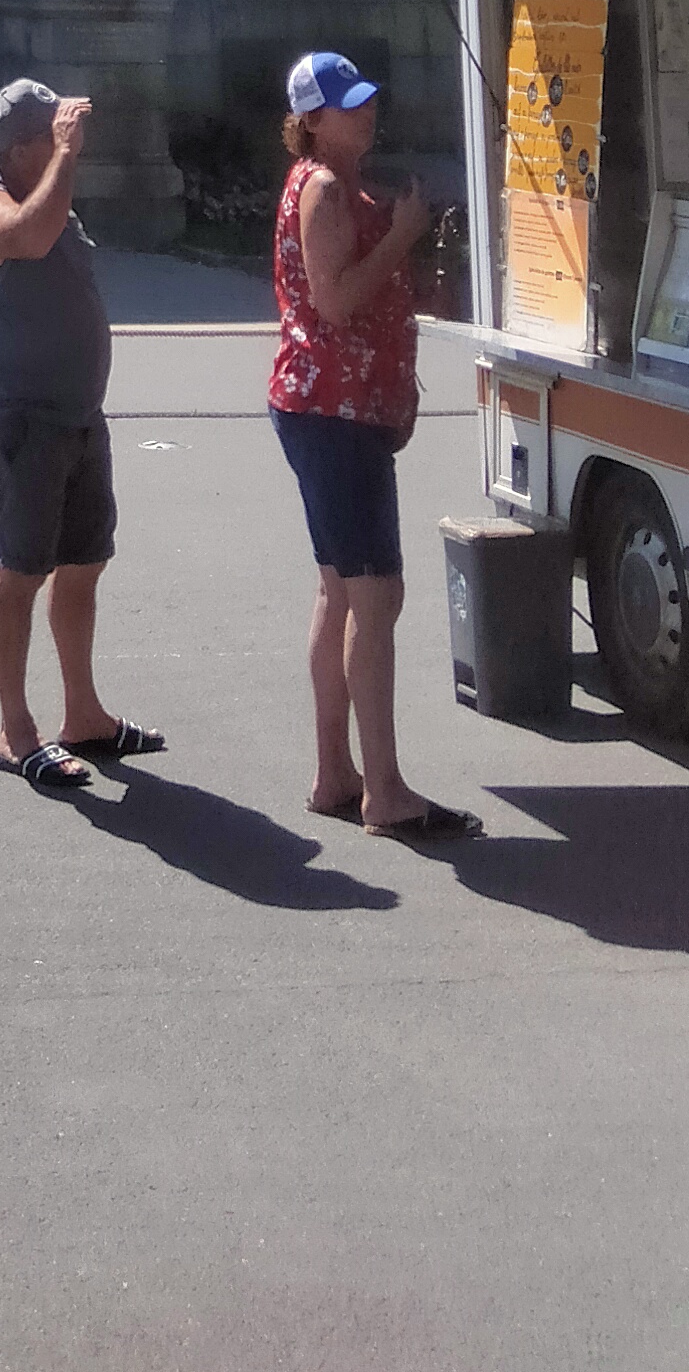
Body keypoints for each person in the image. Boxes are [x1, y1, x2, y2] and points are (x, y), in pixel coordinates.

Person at [268, 49, 478, 841]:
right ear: (311, 120)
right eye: (348, 104)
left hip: (331, 408)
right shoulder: (325, 188)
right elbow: (336, 300)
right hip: (335, 412)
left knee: (341, 590)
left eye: (366, 99)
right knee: (375, 595)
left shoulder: (332, 184)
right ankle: (382, 790)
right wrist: (404, 236)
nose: (366, 111)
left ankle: (337, 775)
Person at [0, 77, 161, 791]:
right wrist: (66, 156)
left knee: (83, 562)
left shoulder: (47, 194)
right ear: (21, 148)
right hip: (18, 420)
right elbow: (27, 238)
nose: (73, 141)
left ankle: (84, 714)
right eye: (55, 133)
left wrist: (59, 159)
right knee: (21, 571)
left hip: (75, 415)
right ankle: (15, 730)